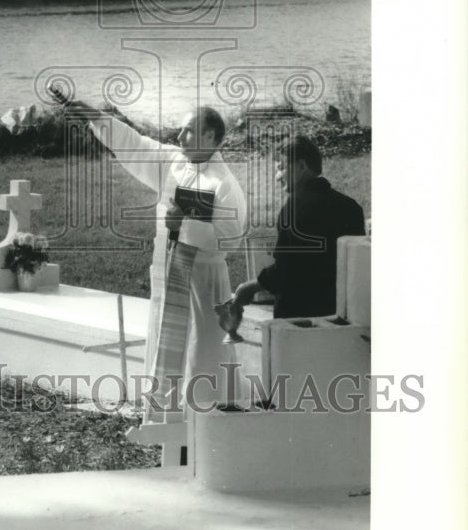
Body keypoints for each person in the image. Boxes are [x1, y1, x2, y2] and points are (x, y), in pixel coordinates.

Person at [61, 95, 247, 424]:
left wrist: (185, 225)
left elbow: (231, 237)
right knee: (167, 344)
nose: (179, 137)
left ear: (210, 138)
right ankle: (165, 419)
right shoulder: (174, 162)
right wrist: (92, 115)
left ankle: (206, 419)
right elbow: (134, 143)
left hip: (203, 284)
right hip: (170, 272)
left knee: (201, 350)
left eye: (188, 131)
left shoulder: (223, 183)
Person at [232, 134, 365, 319]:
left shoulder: (293, 210)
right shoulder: (352, 208)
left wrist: (251, 286)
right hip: (340, 315)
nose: (278, 177)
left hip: (299, 318)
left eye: (282, 168)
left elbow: (287, 269)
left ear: (302, 167)